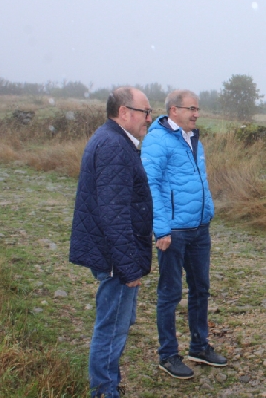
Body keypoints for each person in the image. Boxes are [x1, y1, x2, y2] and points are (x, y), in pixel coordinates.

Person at [69, 87, 153, 397]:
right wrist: (128, 268)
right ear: (124, 113)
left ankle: (108, 383)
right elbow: (113, 213)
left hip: (114, 254)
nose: (148, 118)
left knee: (115, 323)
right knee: (112, 328)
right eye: (145, 112)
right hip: (116, 258)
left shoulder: (114, 141)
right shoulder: (115, 146)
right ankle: (104, 391)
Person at [141, 89, 226, 380]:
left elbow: (198, 178)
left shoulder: (194, 139)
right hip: (174, 232)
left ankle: (199, 346)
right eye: (191, 109)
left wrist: (208, 209)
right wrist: (161, 228)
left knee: (201, 288)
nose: (196, 114)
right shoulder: (158, 139)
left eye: (197, 109)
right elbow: (149, 185)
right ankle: (167, 354)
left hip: (199, 228)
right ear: (173, 110)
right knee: (169, 293)